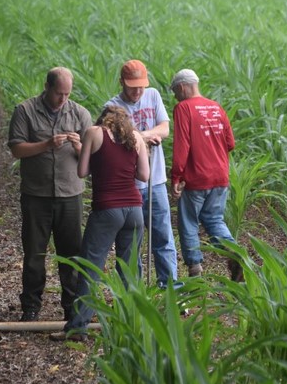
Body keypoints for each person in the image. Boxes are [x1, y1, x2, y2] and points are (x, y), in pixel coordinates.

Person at [50, 105, 149, 341]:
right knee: (130, 269)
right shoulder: (136, 137)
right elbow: (144, 176)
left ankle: (78, 328)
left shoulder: (94, 132)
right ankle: (130, 323)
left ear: (104, 119)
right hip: (135, 210)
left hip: (107, 209)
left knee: (91, 268)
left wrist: (86, 152)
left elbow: (83, 171)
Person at [8, 67, 92, 322]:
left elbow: (91, 159)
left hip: (70, 194)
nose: (63, 99)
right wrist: (46, 144)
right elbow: (17, 149)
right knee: (35, 253)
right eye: (58, 93)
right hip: (36, 195)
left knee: (71, 254)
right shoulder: (25, 111)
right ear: (47, 87)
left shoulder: (80, 113)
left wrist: (80, 147)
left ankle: (72, 307)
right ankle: (31, 306)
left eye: (67, 94)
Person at [104, 59, 178, 288]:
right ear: (121, 83)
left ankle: (170, 288)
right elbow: (115, 141)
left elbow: (164, 128)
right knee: (130, 241)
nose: (138, 91)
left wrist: (138, 135)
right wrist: (145, 136)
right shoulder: (112, 107)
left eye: (141, 86)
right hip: (129, 185)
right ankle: (132, 292)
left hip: (155, 181)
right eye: (132, 86)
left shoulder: (153, 96)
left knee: (163, 236)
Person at [169, 69, 243, 281]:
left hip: (197, 178)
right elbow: (230, 143)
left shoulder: (183, 108)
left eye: (175, 91)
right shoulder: (216, 107)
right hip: (220, 175)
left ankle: (195, 268)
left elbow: (182, 144)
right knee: (214, 218)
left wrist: (176, 175)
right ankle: (235, 254)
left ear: (182, 87)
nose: (175, 96)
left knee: (188, 221)